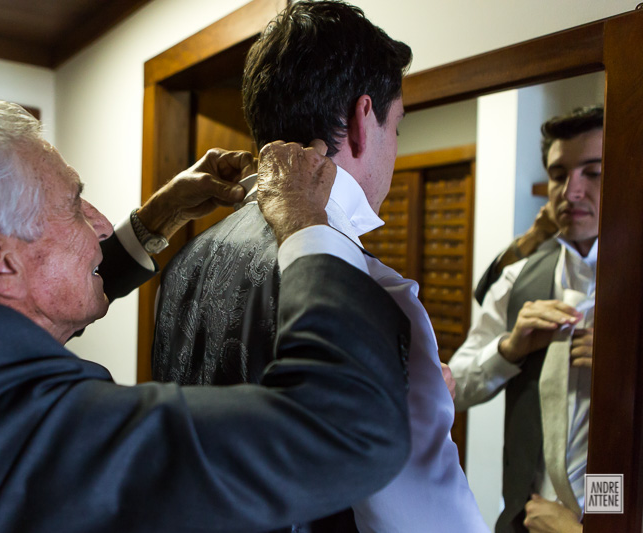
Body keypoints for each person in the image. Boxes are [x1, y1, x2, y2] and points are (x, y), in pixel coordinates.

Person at [0, 98, 415, 532]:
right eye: (74, 203)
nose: (99, 222)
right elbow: (343, 432)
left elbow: (23, 305)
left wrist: (155, 220)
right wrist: (306, 225)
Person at [152, 2, 487, 532]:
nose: (395, 150)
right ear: (362, 120)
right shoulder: (368, 293)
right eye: (397, 128)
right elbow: (426, 521)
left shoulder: (183, 264)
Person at [449, 105, 603, 533]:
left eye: (593, 173)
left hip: (618, 511)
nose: (571, 192)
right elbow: (453, 387)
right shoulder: (517, 279)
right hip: (527, 515)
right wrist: (508, 350)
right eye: (559, 174)